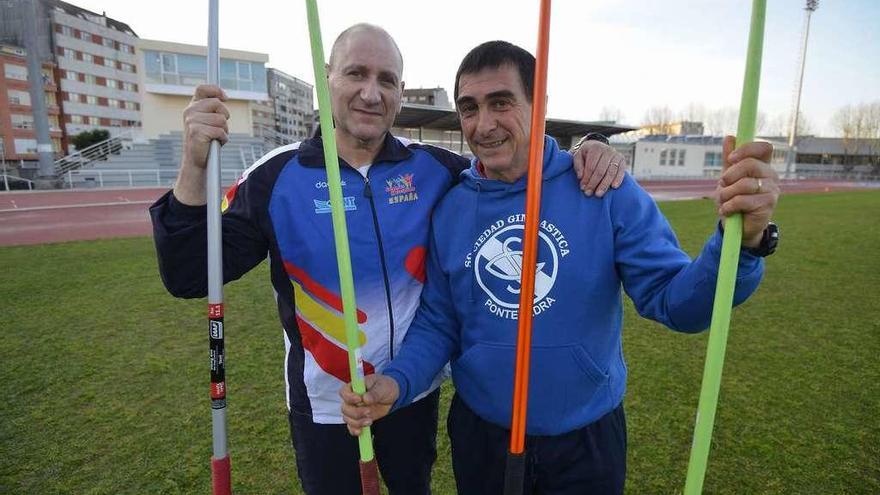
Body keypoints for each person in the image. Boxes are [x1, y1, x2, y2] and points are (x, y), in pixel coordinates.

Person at [150, 24, 627, 495]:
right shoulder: (277, 177)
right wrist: (193, 165)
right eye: (356, 74)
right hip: (326, 406)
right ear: (327, 79)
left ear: (400, 90)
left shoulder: (437, 169)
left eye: (387, 80)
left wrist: (587, 148)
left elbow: (519, 167)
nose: (371, 93)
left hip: (410, 395)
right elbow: (189, 271)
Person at [340, 40, 781, 494]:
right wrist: (396, 382)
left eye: (501, 103)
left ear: (540, 104)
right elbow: (440, 321)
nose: (484, 124)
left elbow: (676, 302)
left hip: (585, 443)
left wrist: (742, 244)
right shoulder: (451, 209)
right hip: (482, 437)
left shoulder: (602, 187)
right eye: (469, 108)